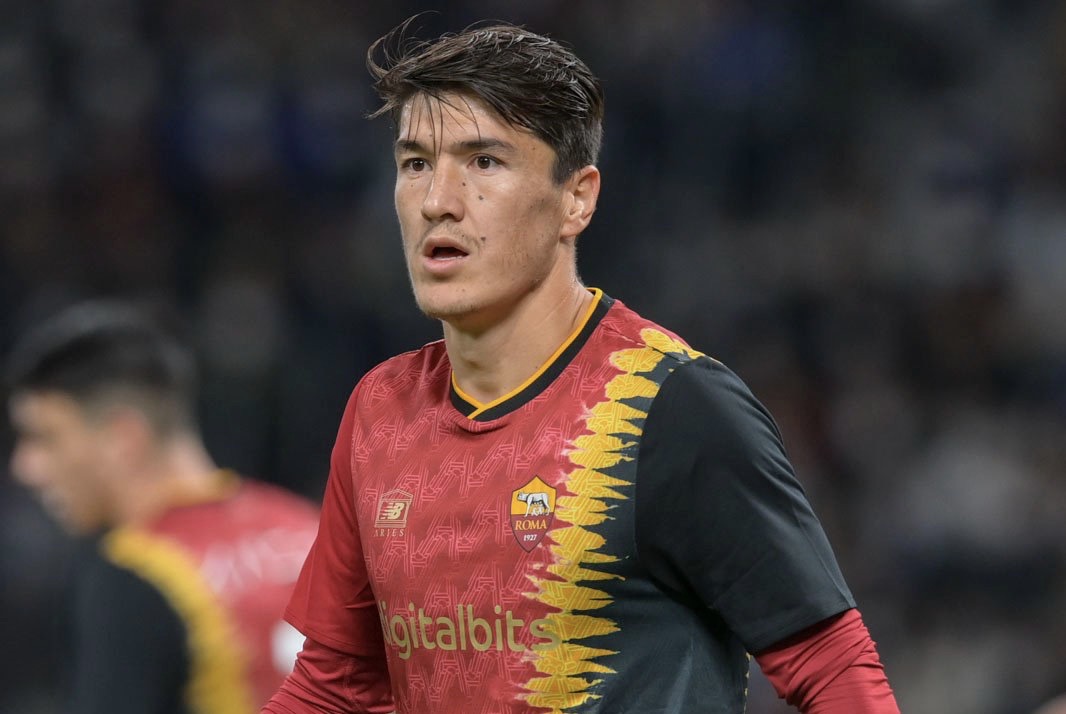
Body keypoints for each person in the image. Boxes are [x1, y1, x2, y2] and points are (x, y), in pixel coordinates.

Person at [264, 18, 900, 714]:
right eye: (416, 163)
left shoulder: (669, 405)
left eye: (485, 162)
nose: (438, 201)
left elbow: (831, 667)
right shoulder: (380, 410)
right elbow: (333, 688)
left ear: (577, 198)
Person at [5, 299, 320, 714]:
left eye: (46, 438)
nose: (25, 467)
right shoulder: (309, 527)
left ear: (122, 438)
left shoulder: (134, 574)